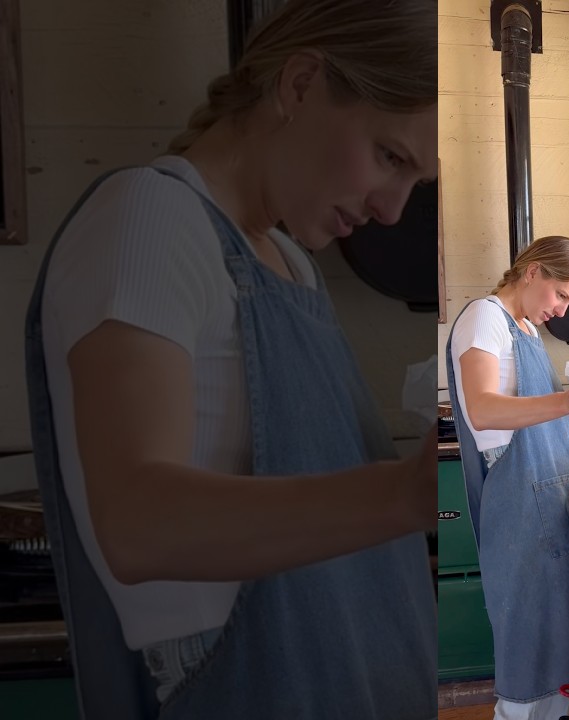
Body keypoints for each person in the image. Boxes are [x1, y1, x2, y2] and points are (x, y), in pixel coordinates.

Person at [23, 1, 438, 718]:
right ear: (301, 83)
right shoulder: (150, 219)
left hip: (343, 674)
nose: (393, 210)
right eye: (390, 156)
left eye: (414, 181)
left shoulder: (291, 266)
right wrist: (407, 491)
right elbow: (137, 523)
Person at [445, 235, 569, 720]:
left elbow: (527, 407)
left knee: (553, 647)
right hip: (518, 504)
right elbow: (482, 408)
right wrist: (566, 401)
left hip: (548, 500)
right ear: (533, 271)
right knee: (528, 649)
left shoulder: (524, 326)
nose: (562, 311)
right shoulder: (485, 318)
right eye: (561, 295)